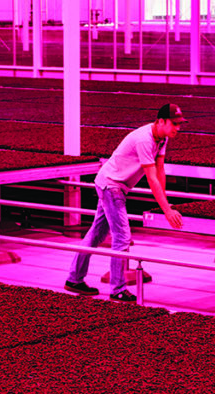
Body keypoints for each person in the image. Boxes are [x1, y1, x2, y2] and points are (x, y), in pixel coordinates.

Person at [64, 103, 186, 302]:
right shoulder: (144, 140)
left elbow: (160, 170)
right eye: (175, 124)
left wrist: (166, 202)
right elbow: (151, 178)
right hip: (112, 186)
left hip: (112, 183)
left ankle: (74, 279)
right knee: (122, 237)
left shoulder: (162, 138)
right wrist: (166, 210)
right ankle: (117, 289)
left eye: (180, 124)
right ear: (161, 121)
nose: (178, 128)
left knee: (96, 234)